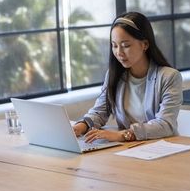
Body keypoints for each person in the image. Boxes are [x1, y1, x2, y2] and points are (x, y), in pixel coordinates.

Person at [73, 12, 182, 143]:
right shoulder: (115, 75)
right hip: (128, 149)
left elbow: (165, 125)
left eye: (126, 45)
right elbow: (100, 111)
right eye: (114, 45)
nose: (119, 52)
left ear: (145, 44)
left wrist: (124, 135)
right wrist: (81, 126)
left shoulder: (169, 77)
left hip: (161, 148)